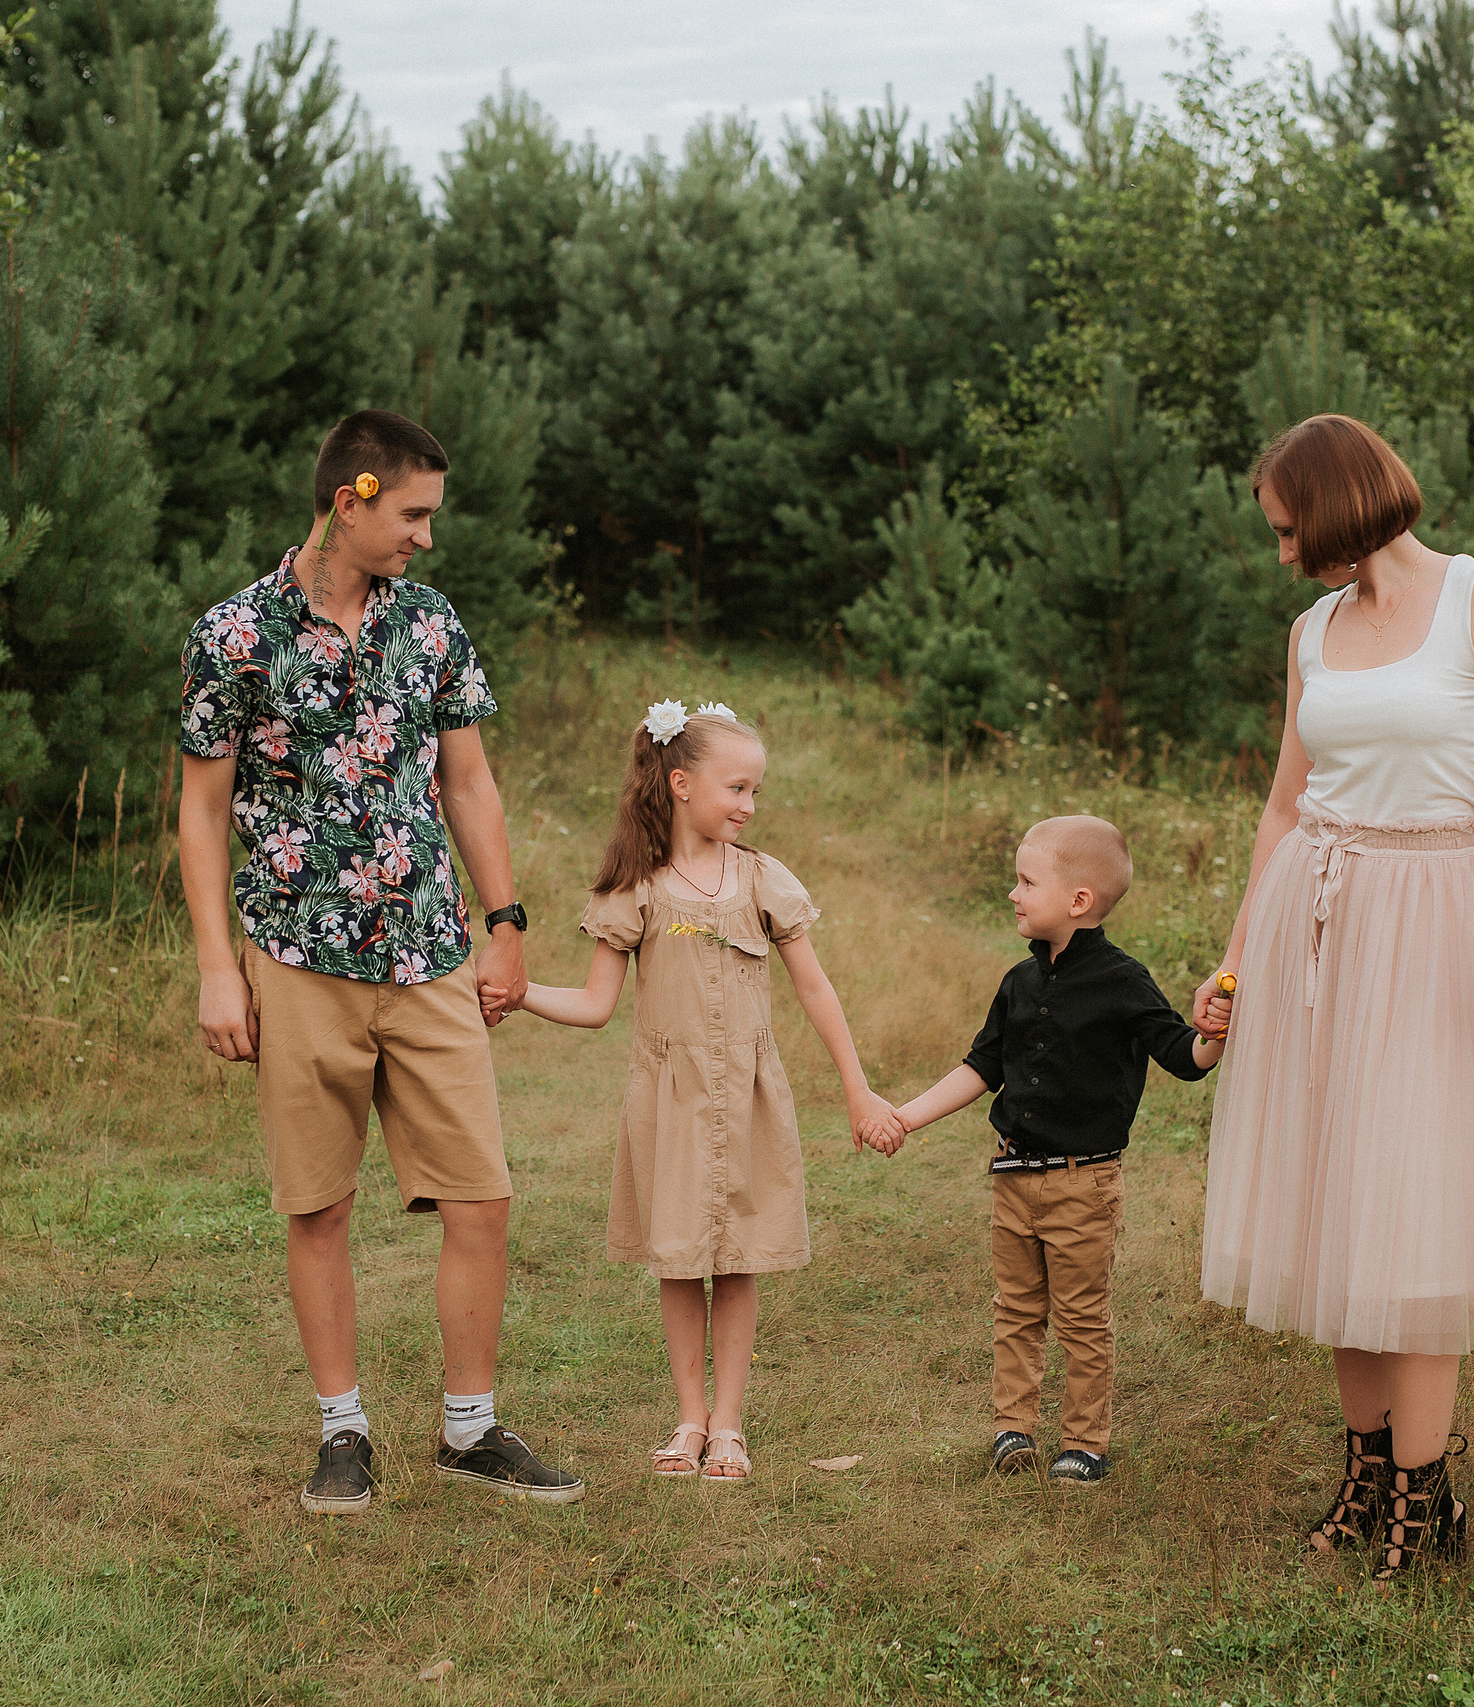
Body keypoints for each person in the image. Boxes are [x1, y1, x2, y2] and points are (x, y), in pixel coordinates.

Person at [176, 409, 583, 1517]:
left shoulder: (430, 624)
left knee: (482, 1197)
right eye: (412, 515)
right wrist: (220, 969)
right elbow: (202, 816)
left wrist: (506, 923)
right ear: (349, 499)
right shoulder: (235, 636)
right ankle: (342, 1433)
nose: (426, 539)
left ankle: (469, 1430)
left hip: (430, 952)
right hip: (297, 957)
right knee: (316, 1206)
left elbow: (469, 783)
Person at [1189, 414, 1474, 1579]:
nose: (1283, 554)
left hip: (1436, 917)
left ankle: (1425, 1498)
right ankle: (1362, 1470)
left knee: (1417, 1201)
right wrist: (1235, 954)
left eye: (1290, 531)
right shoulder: (1312, 629)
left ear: (1341, 507)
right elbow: (1284, 804)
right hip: (1315, 916)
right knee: (1332, 1191)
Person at [500, 701, 900, 1483]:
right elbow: (595, 1005)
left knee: (740, 1254)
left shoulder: (763, 878)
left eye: (756, 792)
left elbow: (816, 990)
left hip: (747, 1096)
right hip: (673, 1101)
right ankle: (689, 1417)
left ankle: (729, 1424)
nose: (749, 806)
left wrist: (858, 1090)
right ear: (681, 783)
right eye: (737, 788)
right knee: (681, 1259)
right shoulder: (637, 889)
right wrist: (519, 993)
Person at [866, 816, 1229, 1486]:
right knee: (1017, 1310)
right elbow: (981, 1067)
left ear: (1079, 901)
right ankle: (1014, 1429)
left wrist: (1213, 1035)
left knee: (1082, 1318)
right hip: (1013, 1176)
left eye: (1027, 881)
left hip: (1081, 1184)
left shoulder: (1124, 981)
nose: (1013, 892)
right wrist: (904, 1117)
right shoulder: (1018, 983)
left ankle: (1085, 1442)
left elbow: (1184, 1057)